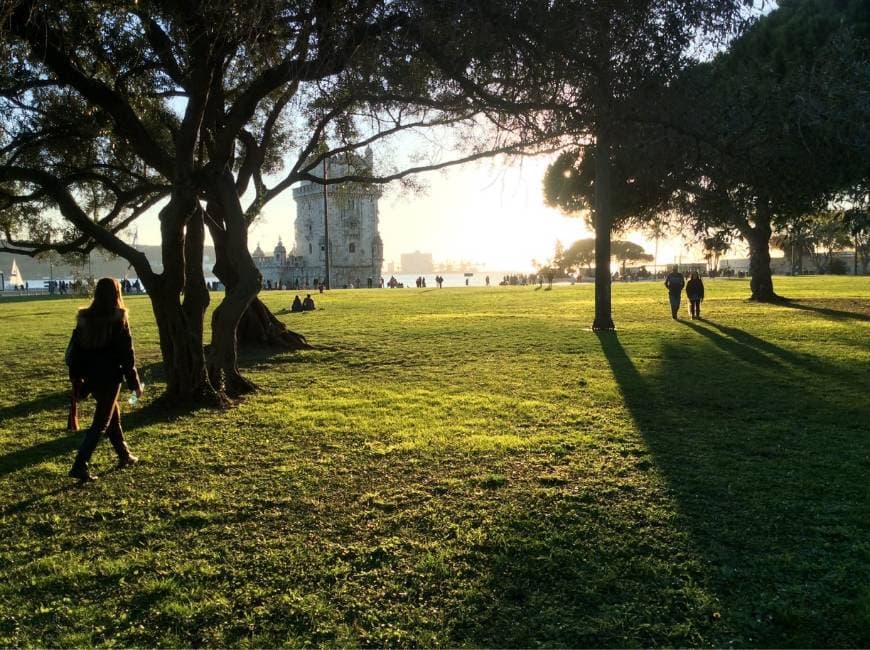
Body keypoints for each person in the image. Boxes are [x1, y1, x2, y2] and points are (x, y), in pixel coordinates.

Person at [66, 277, 143, 482]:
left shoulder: (85, 318)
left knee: (113, 416)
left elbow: (77, 351)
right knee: (101, 422)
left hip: (91, 377)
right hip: (109, 378)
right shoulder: (118, 318)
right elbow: (127, 354)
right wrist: (134, 383)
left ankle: (124, 455)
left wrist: (76, 378)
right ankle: (80, 465)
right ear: (117, 293)